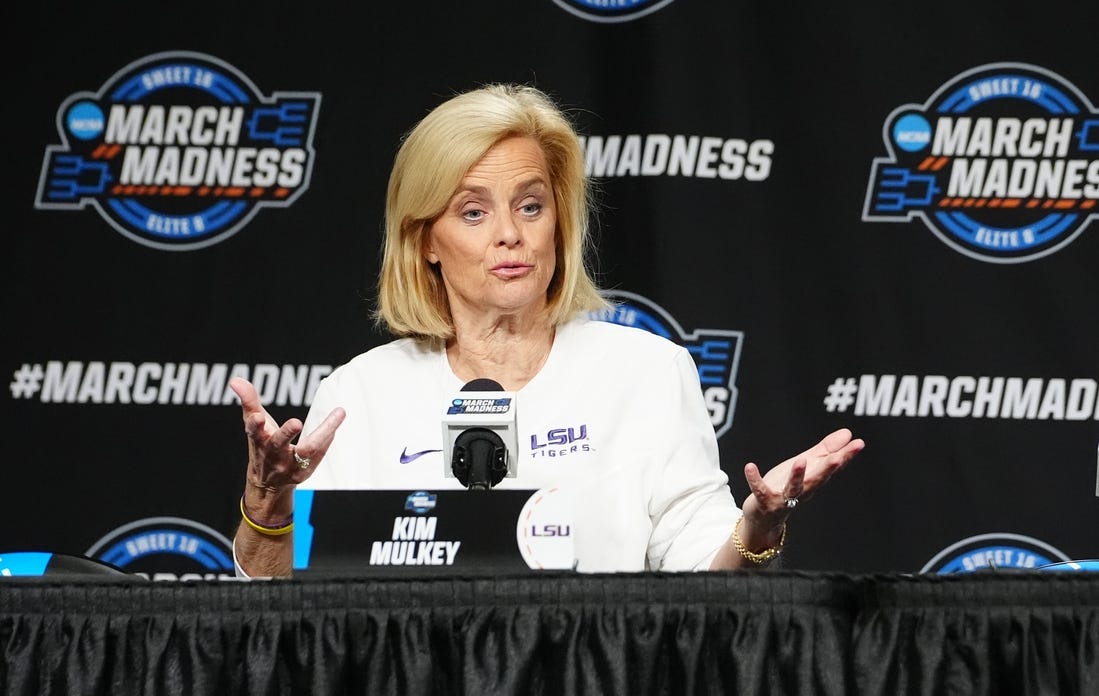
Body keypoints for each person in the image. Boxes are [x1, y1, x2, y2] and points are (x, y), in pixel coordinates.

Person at [228, 82, 864, 578]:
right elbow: (284, 609)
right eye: (474, 212)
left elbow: (702, 578)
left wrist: (756, 532)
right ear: (426, 240)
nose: (511, 233)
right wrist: (267, 506)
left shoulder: (648, 372)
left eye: (531, 205)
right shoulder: (359, 395)